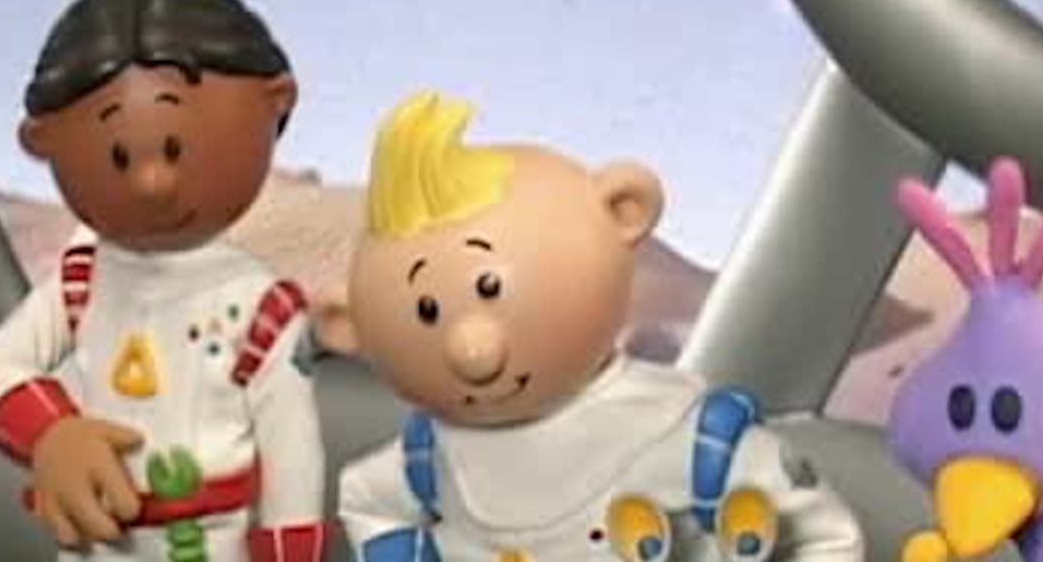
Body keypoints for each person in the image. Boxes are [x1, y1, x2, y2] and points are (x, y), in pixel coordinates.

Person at [320, 91, 865, 561]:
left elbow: (824, 536)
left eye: (489, 288)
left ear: (625, 210)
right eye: (428, 312)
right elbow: (369, 503)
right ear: (348, 327)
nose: (473, 351)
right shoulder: (428, 456)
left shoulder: (693, 438)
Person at [0, 0, 327, 562]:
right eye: (120, 155)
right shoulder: (80, 282)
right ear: (42, 142)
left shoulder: (263, 308)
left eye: (174, 149)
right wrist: (53, 433)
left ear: (274, 105)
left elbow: (291, 451)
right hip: (99, 538)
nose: (152, 183)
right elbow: (6, 358)